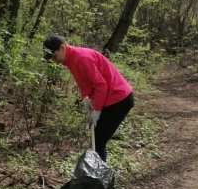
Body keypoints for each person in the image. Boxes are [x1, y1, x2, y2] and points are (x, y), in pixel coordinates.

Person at [43, 34, 134, 162]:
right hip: (109, 98)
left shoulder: (82, 58)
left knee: (98, 141)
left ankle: (99, 178)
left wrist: (97, 110)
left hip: (119, 99)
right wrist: (87, 97)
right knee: (96, 140)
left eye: (54, 56)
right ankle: (97, 175)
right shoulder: (71, 60)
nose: (54, 60)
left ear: (62, 48)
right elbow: (88, 81)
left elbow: (101, 85)